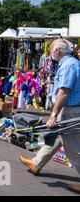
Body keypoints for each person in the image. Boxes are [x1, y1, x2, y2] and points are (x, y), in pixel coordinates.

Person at [19, 39, 80, 193]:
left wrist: (53, 114)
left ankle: (37, 162)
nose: (50, 52)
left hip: (69, 109)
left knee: (73, 149)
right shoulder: (70, 63)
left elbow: (64, 92)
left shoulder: (68, 65)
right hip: (68, 109)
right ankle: (37, 162)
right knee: (56, 137)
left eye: (52, 49)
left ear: (58, 51)